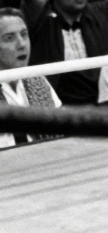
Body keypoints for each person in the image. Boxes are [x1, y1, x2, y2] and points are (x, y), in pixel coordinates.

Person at [0, 8, 62, 149]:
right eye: (10, 38)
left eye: (24, 35)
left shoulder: (38, 80)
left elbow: (59, 134)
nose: (21, 44)